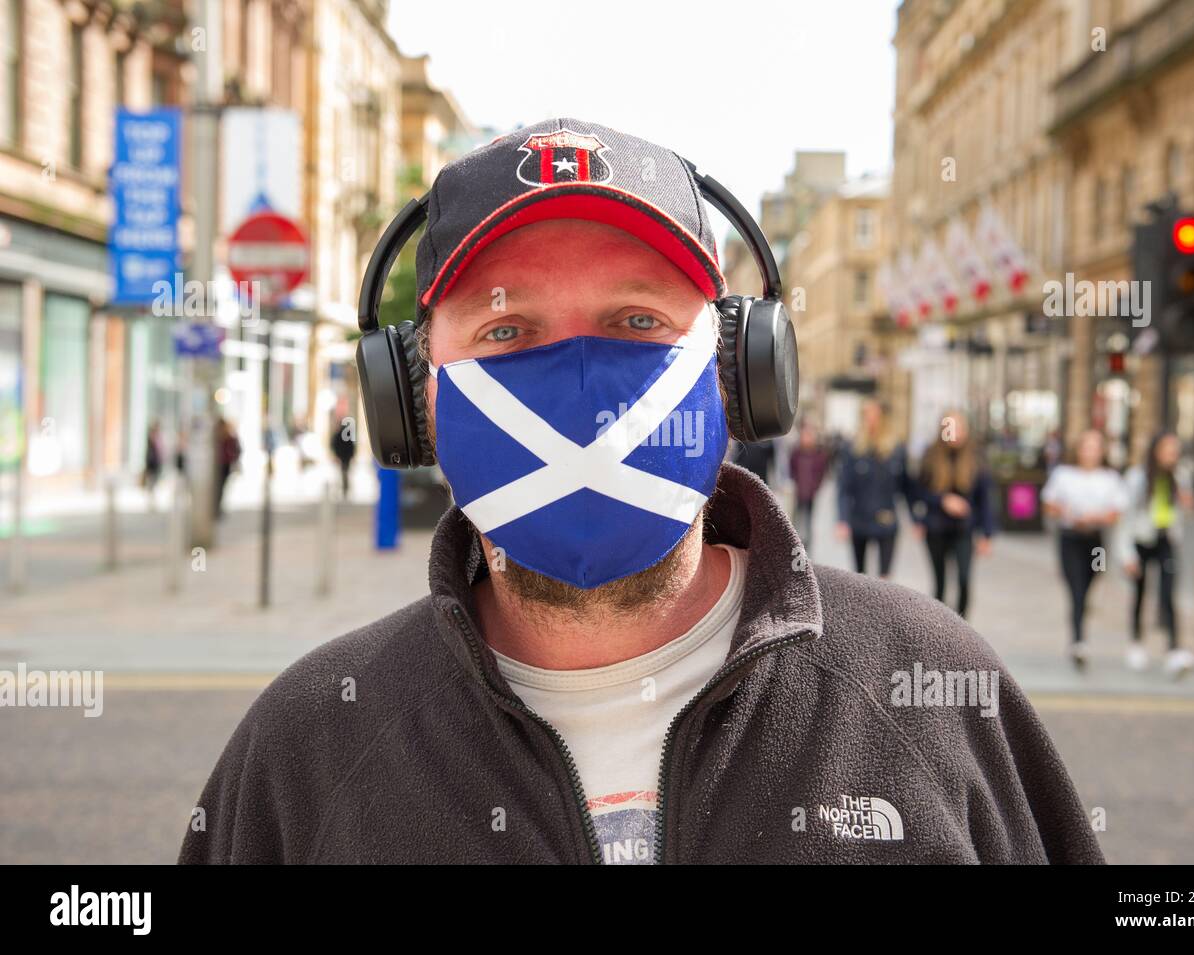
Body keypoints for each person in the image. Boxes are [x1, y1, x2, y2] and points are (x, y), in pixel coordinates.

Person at [180, 119, 1101, 865]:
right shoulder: (308, 748)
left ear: (741, 372)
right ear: (411, 397)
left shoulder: (928, 696)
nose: (582, 380)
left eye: (636, 320)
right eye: (507, 331)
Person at [1040, 429, 1129, 670]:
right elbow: (1049, 503)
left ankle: (1080, 622)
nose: (1090, 453)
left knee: (1091, 580)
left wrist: (1098, 517)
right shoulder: (1064, 474)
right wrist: (1069, 514)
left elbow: (1118, 510)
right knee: (1075, 586)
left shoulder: (1110, 478)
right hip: (1070, 537)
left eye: (1095, 447)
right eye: (1086, 447)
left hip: (1095, 541)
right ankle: (1078, 640)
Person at [1113, 432, 1194, 677]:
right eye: (1168, 448)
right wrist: (1126, 554)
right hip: (1140, 541)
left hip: (1166, 540)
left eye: (1175, 449)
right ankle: (1136, 643)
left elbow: (1189, 513)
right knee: (1140, 593)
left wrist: (1188, 502)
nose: (1172, 453)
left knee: (1168, 593)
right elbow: (1124, 519)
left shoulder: (1180, 477)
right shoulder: (1137, 477)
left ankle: (1174, 649)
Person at [913, 410, 996, 618]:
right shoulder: (931, 455)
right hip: (936, 527)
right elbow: (918, 491)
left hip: (964, 529)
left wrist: (987, 534)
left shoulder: (977, 457)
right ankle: (941, 628)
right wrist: (942, 500)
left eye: (959, 427)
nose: (954, 433)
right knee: (939, 581)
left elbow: (986, 498)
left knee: (964, 579)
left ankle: (962, 627)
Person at [834, 399, 911, 578]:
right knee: (860, 576)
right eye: (866, 416)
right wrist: (842, 520)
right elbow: (844, 487)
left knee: (885, 578)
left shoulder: (897, 449)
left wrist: (918, 518)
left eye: (874, 415)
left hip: (886, 520)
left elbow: (907, 487)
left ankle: (881, 606)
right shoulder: (852, 448)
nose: (870, 420)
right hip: (859, 520)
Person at [786, 420, 831, 550]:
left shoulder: (820, 455)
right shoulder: (796, 452)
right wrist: (793, 481)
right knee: (796, 518)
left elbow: (822, 473)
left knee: (809, 518)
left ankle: (807, 544)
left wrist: (816, 486)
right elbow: (791, 468)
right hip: (798, 490)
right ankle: (794, 542)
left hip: (811, 492)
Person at [213, 418, 242, 520]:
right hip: (219, 465)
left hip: (224, 465)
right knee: (219, 488)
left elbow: (237, 449)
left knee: (221, 488)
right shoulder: (219, 438)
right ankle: (216, 508)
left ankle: (217, 509)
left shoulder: (228, 437)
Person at [330, 416, 357, 500]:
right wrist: (352, 456)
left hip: (342, 457)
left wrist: (336, 455)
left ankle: (341, 489)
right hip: (345, 457)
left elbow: (334, 445)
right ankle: (344, 489)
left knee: (341, 473)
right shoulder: (347, 435)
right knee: (344, 473)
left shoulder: (339, 434)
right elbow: (352, 447)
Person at [141, 421, 163, 509]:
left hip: (155, 465)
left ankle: (152, 501)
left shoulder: (157, 440)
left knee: (153, 483)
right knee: (151, 483)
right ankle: (151, 502)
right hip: (151, 465)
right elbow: (149, 455)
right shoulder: (150, 441)